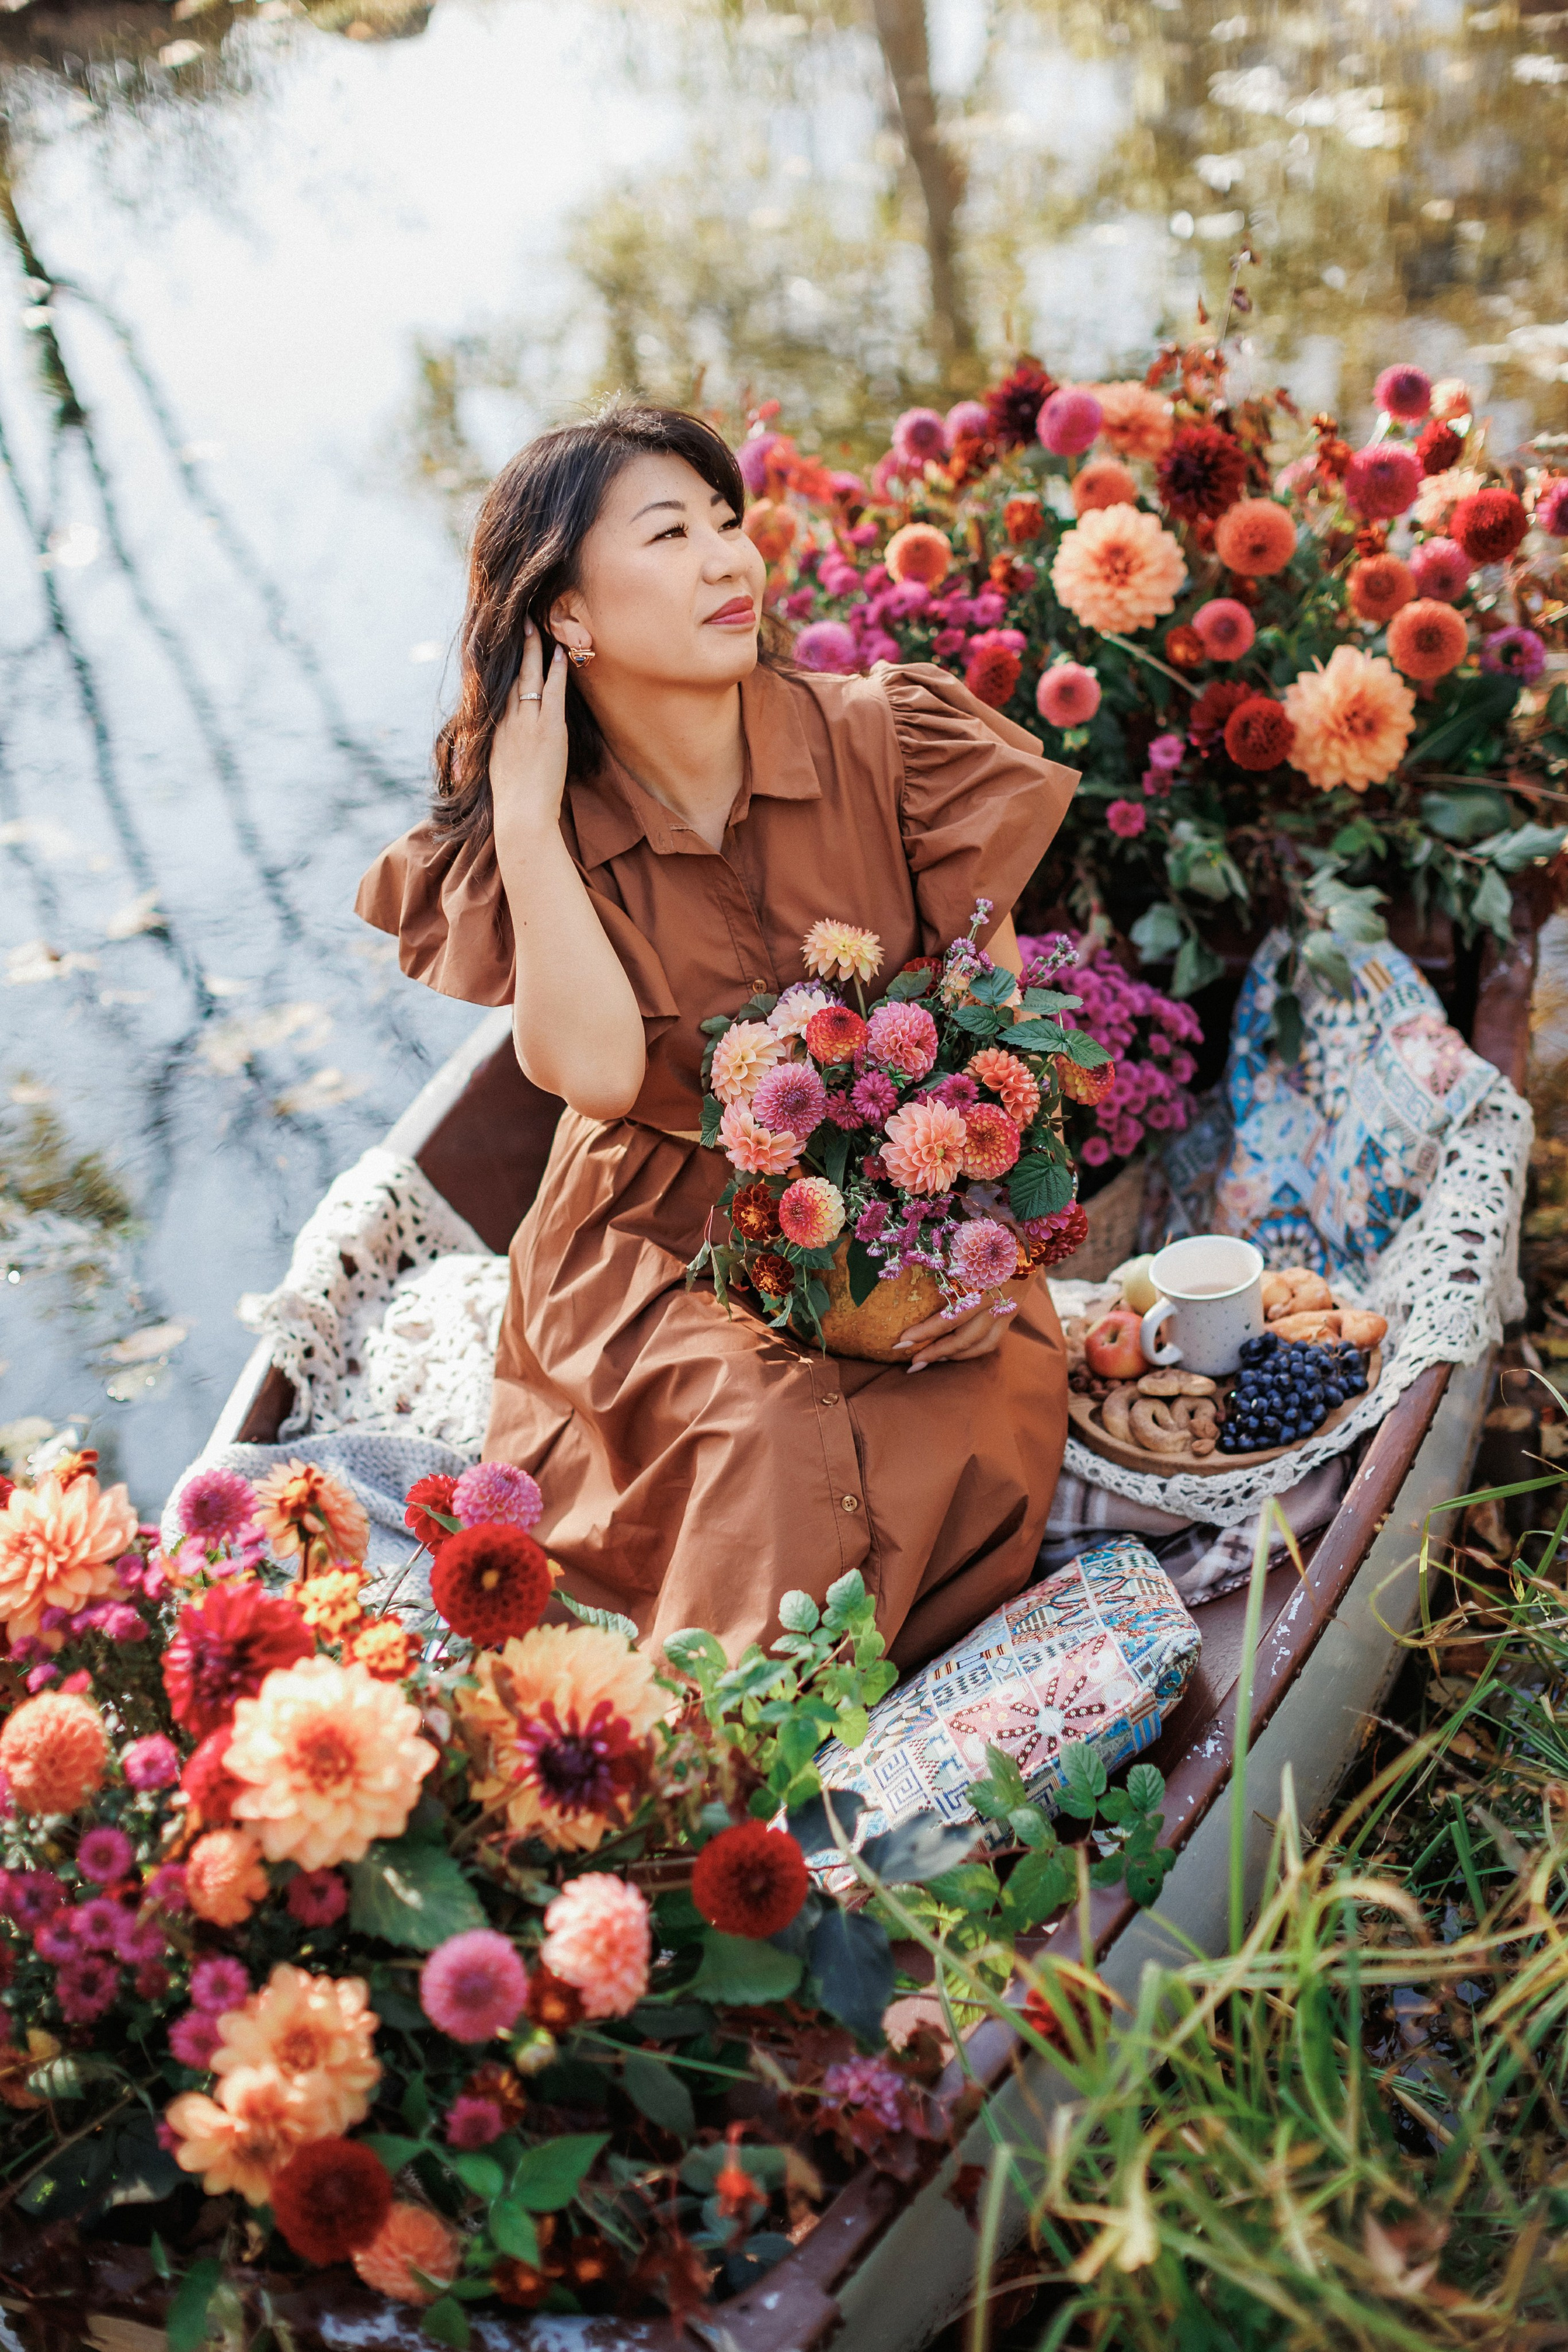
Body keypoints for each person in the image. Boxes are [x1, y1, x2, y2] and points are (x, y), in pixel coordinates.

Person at [357, 402, 1079, 1669]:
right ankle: (717, 1766)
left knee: (962, 1412)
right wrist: (528, 822)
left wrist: (994, 1251)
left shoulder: (885, 742)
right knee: (747, 1434)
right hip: (649, 1243)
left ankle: (816, 1718)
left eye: (728, 523)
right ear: (564, 616)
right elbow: (593, 1076)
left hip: (897, 1215)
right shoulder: (537, 837)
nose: (726, 558)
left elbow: (1000, 1044)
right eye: (668, 531)